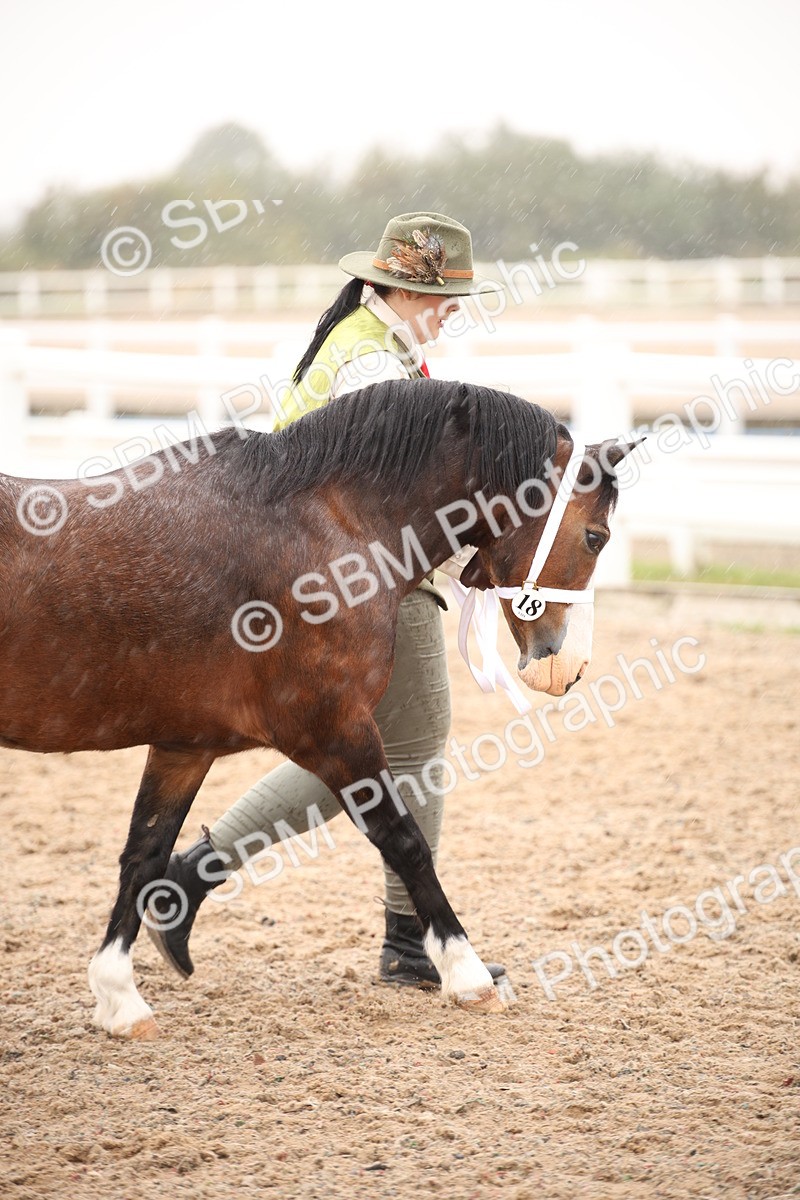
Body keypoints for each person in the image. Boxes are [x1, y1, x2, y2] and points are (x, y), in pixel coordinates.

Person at [148, 212, 511, 996]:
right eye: (436, 292)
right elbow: (386, 498)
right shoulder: (370, 366)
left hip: (331, 573)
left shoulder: (367, 345)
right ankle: (403, 942)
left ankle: (197, 881)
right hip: (366, 581)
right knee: (396, 751)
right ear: (393, 287)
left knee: (364, 756)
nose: (451, 307)